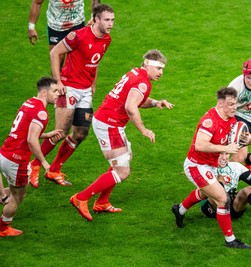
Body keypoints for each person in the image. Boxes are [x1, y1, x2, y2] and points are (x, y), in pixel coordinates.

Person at [70, 49, 174, 221]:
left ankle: (102, 202)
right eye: (158, 68)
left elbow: (134, 100)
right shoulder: (143, 83)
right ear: (148, 65)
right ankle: (81, 197)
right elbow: (130, 107)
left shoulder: (135, 73)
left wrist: (156, 103)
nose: (161, 73)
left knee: (125, 158)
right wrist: (144, 130)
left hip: (110, 122)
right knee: (122, 171)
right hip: (109, 125)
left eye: (162, 69)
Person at [29, 4, 115, 188]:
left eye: (112, 20)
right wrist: (58, 81)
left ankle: (54, 169)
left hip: (85, 91)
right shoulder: (78, 36)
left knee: (81, 133)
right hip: (68, 88)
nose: (110, 24)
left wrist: (93, 82)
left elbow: (96, 60)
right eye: (107, 20)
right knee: (61, 132)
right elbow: (55, 52)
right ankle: (34, 165)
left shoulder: (107, 39)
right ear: (96, 19)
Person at [171, 87, 251, 249]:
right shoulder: (210, 121)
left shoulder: (230, 118)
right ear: (220, 104)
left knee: (205, 192)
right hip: (197, 165)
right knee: (222, 199)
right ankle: (230, 240)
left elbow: (236, 138)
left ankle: (179, 210)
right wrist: (225, 149)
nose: (234, 107)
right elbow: (200, 145)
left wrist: (247, 140)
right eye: (230, 104)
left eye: (235, 104)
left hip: (212, 165)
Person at [0, 77, 62, 237]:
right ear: (44, 92)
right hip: (17, 160)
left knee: (12, 191)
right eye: (54, 91)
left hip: (5, 152)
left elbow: (24, 130)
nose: (58, 94)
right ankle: (3, 228)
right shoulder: (41, 112)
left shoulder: (28, 103)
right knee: (17, 196)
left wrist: (47, 134)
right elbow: (31, 139)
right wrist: (44, 163)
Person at [200, 152, 251, 219]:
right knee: (217, 185)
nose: (224, 157)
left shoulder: (236, 167)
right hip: (212, 208)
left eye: (227, 154)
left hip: (234, 208)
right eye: (220, 154)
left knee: (249, 189)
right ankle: (227, 195)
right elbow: (200, 193)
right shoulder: (206, 168)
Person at [28, 0, 101, 69]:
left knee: (78, 64)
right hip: (56, 27)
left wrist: (93, 18)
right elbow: (37, 2)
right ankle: (56, 82)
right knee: (57, 64)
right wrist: (31, 27)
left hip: (77, 26)